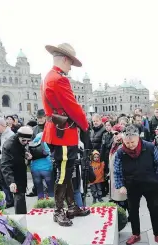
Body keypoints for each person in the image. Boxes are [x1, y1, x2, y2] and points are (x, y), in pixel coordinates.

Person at [42, 43, 91, 226]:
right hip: (63, 133)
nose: (70, 67)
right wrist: (85, 125)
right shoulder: (59, 79)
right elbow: (73, 107)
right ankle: (59, 210)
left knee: (67, 171)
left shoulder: (49, 76)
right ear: (64, 59)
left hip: (58, 131)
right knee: (63, 173)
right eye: (70, 62)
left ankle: (71, 206)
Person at [113, 125, 158, 245]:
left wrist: (157, 180)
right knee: (133, 211)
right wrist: (120, 185)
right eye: (127, 142)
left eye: (132, 142)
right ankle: (136, 234)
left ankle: (157, 234)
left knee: (154, 209)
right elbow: (117, 170)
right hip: (131, 185)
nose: (130, 145)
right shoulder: (121, 152)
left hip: (150, 184)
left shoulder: (150, 147)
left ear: (138, 139)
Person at [0, 126, 33, 214]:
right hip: (11, 174)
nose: (25, 143)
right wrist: (11, 181)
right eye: (23, 140)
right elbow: (5, 165)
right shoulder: (9, 145)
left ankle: (22, 216)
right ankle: (21, 219)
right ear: (18, 136)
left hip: (20, 170)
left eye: (28, 141)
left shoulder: (20, 142)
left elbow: (20, 148)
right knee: (18, 196)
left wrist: (25, 153)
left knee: (21, 194)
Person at [29, 132, 54, 199]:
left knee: (39, 188)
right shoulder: (46, 142)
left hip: (35, 169)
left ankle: (40, 203)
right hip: (47, 168)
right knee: (50, 187)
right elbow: (50, 154)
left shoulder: (33, 143)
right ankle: (52, 202)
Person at [108, 124, 127, 208]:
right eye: (113, 134)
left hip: (121, 176)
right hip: (114, 175)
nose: (114, 136)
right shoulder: (114, 145)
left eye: (116, 133)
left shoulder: (124, 145)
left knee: (123, 198)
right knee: (117, 199)